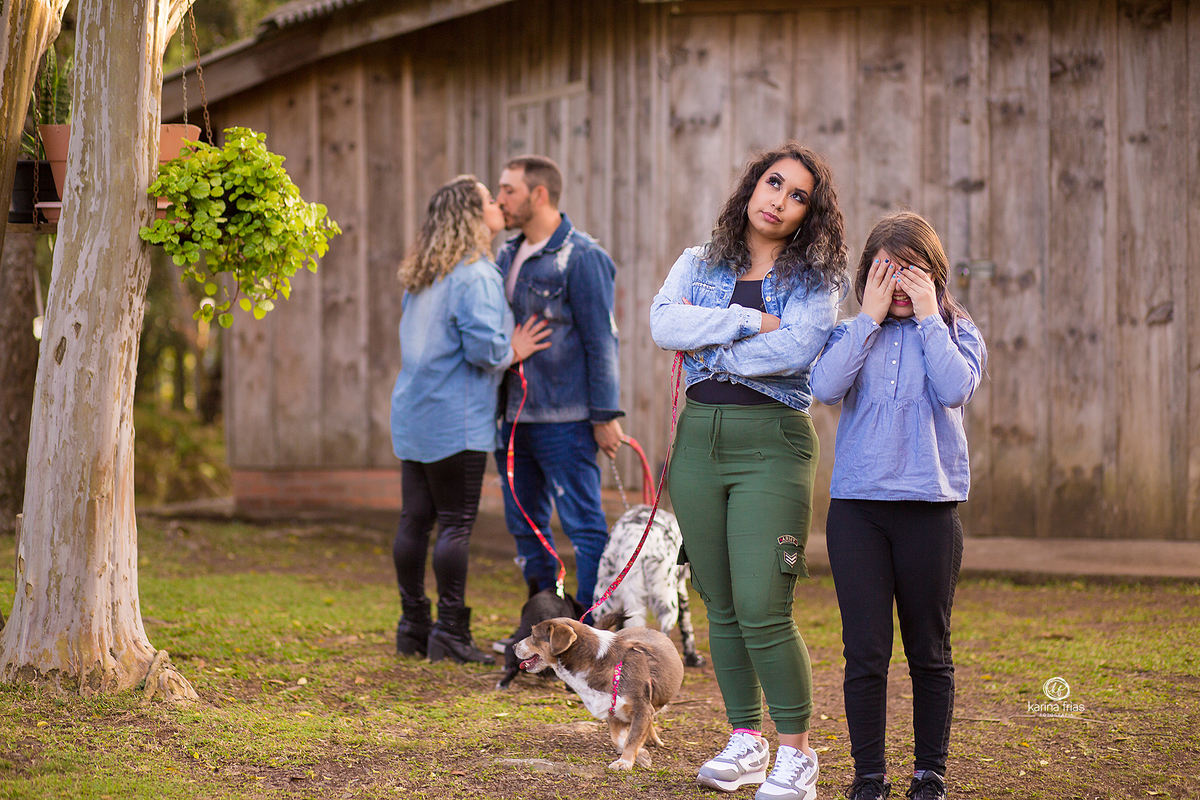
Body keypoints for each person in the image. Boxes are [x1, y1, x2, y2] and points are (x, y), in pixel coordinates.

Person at [649, 141, 848, 800]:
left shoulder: (818, 281)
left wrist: (711, 349)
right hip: (698, 439)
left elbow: (798, 349)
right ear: (752, 185)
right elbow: (661, 324)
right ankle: (746, 741)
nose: (780, 201)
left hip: (773, 443)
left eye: (798, 197)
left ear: (808, 216)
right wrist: (742, 320)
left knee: (765, 605)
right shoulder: (696, 263)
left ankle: (798, 754)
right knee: (723, 605)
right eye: (774, 183)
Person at [810, 211, 987, 800]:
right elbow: (826, 387)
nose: (900, 285)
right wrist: (869, 317)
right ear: (867, 277)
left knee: (929, 650)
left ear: (934, 277)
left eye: (913, 273)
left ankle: (929, 773)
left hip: (930, 511)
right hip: (858, 511)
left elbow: (954, 387)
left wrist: (932, 315)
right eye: (887, 272)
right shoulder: (851, 332)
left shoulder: (958, 330)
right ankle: (868, 776)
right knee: (864, 651)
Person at [390, 175, 551, 665]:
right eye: (488, 199)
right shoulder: (476, 275)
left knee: (415, 521)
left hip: (414, 411)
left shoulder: (425, 276)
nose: (497, 203)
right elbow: (484, 350)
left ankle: (413, 624)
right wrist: (514, 349)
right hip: (454, 417)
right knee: (456, 524)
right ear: (471, 215)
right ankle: (451, 632)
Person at [491, 154, 624, 621]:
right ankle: (546, 627)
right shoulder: (506, 254)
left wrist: (604, 415)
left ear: (539, 194)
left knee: (584, 527)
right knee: (525, 527)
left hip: (564, 420)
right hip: (510, 420)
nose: (499, 198)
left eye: (508, 189)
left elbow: (601, 340)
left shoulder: (582, 257)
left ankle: (587, 632)